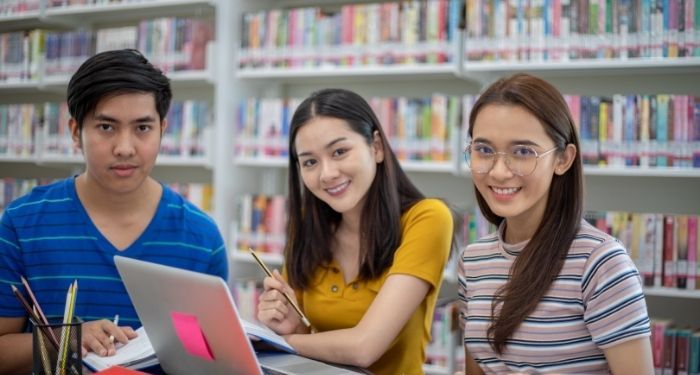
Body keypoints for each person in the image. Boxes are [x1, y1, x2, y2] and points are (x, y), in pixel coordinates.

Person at [0, 49, 228, 374]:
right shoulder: (21, 223)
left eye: (143, 128)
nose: (125, 147)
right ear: (75, 131)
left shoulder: (202, 237)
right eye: (107, 127)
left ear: (163, 129)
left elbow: (213, 359)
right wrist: (67, 339)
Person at [457, 73, 653, 374]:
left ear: (563, 159)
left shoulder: (601, 264)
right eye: (483, 149)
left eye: (522, 152)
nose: (498, 171)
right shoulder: (473, 260)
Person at [256, 88, 454, 375]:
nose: (327, 173)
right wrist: (292, 326)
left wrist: (282, 342)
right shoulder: (307, 224)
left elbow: (364, 348)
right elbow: (310, 344)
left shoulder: (428, 218)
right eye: (310, 162)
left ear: (376, 147)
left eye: (339, 152)